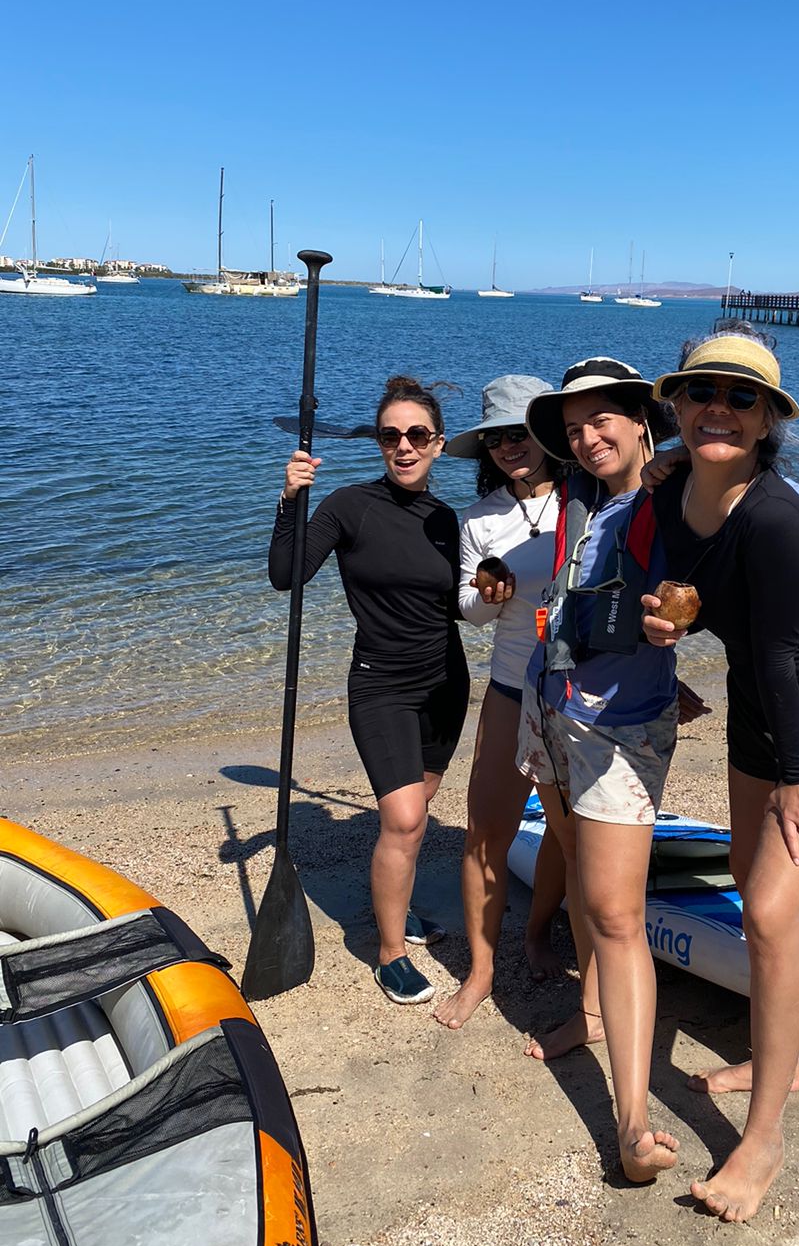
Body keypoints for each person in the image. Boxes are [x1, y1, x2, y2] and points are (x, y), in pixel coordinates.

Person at [643, 326, 799, 1222]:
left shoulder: (778, 518)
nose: (719, 407)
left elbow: (781, 651)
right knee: (756, 893)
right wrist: (666, 632)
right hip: (764, 710)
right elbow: (696, 599)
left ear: (768, 419)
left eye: (741, 396)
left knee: (770, 912)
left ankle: (767, 1133)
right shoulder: (670, 496)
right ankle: (781, 1057)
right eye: (701, 391)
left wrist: (798, 776)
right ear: (675, 405)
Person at [517, 357, 682, 1184]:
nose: (586, 438)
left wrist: (676, 626)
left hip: (618, 734)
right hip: (549, 708)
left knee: (618, 917)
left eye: (601, 419)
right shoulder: (580, 504)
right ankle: (588, 1010)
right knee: (580, 871)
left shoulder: (664, 497)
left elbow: (730, 542)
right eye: (574, 428)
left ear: (641, 418)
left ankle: (632, 1122)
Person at [269, 374, 469, 1007]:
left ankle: (397, 912)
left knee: (414, 821)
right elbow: (286, 575)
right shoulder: (348, 506)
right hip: (381, 686)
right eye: (391, 436)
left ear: (438, 444)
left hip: (447, 685)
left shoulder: (447, 518)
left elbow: (461, 606)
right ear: (379, 442)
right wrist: (290, 499)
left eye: (417, 435)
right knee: (404, 819)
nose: (404, 447)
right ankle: (390, 953)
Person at [433, 375, 570, 1030]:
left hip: (576, 696)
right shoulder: (481, 517)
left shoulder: (587, 501)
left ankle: (538, 932)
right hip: (511, 690)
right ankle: (481, 972)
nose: (509, 446)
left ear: (547, 433)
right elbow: (464, 607)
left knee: (568, 837)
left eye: (520, 432)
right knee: (487, 832)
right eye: (496, 437)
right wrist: (485, 600)